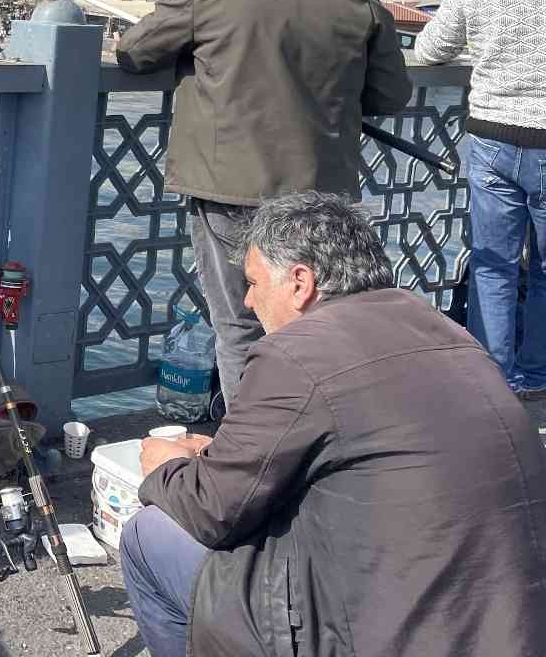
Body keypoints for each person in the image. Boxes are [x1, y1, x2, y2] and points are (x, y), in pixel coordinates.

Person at [121, 190, 546, 657]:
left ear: (300, 282)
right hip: (513, 624)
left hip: (388, 634)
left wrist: (167, 468)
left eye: (255, 283)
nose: (245, 302)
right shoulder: (450, 333)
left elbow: (213, 511)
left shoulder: (296, 352)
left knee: (151, 535)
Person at [114, 0, 412, 403]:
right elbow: (390, 93)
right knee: (318, 323)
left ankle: (255, 452)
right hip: (322, 195)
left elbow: (134, 53)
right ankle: (321, 440)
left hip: (230, 188)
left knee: (240, 326)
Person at [414, 0, 546, 395]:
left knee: (493, 266)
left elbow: (428, 53)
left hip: (493, 140)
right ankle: (538, 375)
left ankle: (492, 377)